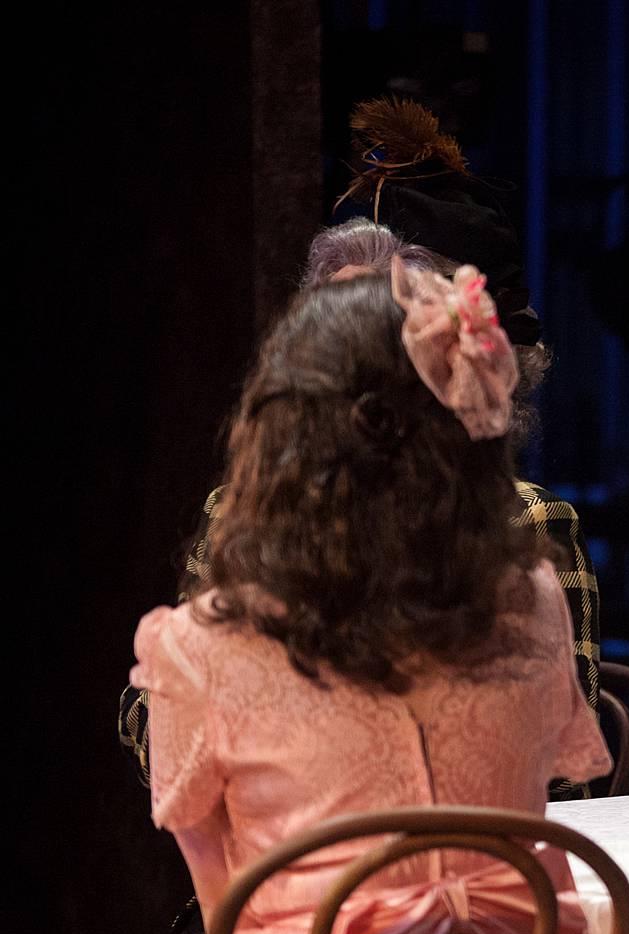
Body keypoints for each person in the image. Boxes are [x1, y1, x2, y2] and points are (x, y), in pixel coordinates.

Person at [58, 262, 613, 934]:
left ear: (283, 433)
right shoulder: (532, 602)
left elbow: (227, 909)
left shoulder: (207, 642)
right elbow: (545, 794)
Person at [118, 102, 602, 796]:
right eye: (342, 347)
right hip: (287, 862)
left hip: (465, 875)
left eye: (384, 349)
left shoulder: (520, 525)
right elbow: (160, 735)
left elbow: (562, 776)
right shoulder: (247, 515)